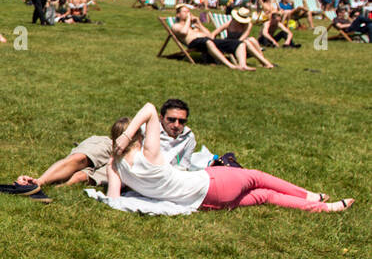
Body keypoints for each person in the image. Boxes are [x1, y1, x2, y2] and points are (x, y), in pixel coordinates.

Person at [108, 102, 351, 213]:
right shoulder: (149, 153)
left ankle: (324, 207)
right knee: (257, 177)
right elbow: (150, 108)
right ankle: (312, 197)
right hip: (210, 183)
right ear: (137, 136)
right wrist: (129, 132)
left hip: (204, 204)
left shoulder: (115, 166)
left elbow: (114, 200)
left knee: (265, 196)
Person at [12, 99, 204, 191]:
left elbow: (182, 168)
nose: (177, 125)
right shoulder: (150, 125)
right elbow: (125, 128)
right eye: (172, 119)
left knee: (82, 177)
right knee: (80, 159)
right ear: (162, 118)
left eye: (182, 121)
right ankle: (39, 181)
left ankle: (53, 192)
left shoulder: (188, 138)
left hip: (132, 165)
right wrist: (126, 137)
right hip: (114, 143)